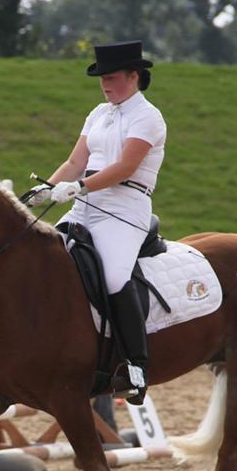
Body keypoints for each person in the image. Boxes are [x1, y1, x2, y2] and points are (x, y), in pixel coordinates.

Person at [30, 40, 166, 406]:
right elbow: (75, 162)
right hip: (85, 202)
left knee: (114, 277)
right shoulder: (98, 113)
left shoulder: (148, 117)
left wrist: (78, 187)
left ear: (133, 76)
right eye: (101, 78)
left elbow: (125, 167)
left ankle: (136, 368)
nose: (105, 84)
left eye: (112, 77)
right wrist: (43, 190)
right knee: (41, 257)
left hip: (125, 207)